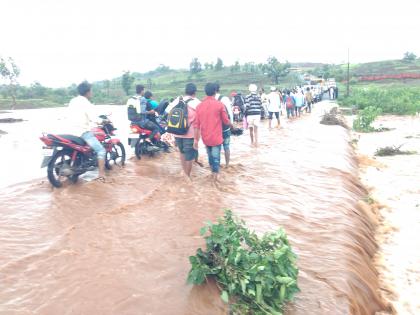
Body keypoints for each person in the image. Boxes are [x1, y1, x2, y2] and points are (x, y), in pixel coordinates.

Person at [67, 81, 107, 182]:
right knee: (101, 150)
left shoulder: (73, 101)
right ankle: (101, 175)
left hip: (70, 131)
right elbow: (94, 118)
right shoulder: (85, 102)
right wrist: (103, 121)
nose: (92, 93)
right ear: (88, 92)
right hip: (82, 131)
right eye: (91, 91)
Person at [193, 83, 233, 183]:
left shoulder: (199, 106)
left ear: (205, 92)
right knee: (216, 159)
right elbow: (225, 121)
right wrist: (232, 125)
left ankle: (212, 177)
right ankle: (215, 180)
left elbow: (197, 125)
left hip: (205, 138)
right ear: (215, 91)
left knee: (210, 157)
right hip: (216, 137)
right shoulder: (219, 105)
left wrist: (195, 141)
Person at [172, 83, 200, 178]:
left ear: (185, 91)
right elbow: (198, 123)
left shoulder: (177, 100)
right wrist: (197, 140)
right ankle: (187, 177)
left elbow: (168, 113)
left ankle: (184, 174)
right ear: (195, 92)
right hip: (190, 134)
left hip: (177, 132)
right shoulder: (197, 103)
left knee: (182, 152)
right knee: (189, 156)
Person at [215, 83, 233, 167]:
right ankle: (227, 165)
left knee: (216, 148)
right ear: (219, 89)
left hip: (214, 128)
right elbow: (230, 112)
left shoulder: (209, 100)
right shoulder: (224, 98)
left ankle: (217, 165)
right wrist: (231, 124)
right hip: (225, 127)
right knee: (226, 146)